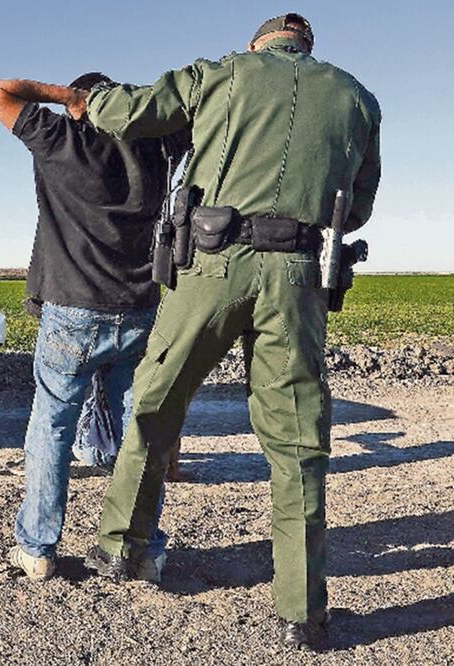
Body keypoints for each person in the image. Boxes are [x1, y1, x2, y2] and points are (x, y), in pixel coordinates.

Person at [78, 13, 381, 651]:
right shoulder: (357, 98)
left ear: (257, 44)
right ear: (307, 48)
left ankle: (121, 547)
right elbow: (358, 204)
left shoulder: (220, 74)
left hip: (213, 266)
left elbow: (120, 113)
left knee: (157, 402)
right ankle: (303, 610)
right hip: (300, 277)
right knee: (299, 440)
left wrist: (86, 99)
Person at [0, 74, 188, 583]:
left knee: (52, 425)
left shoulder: (60, 140)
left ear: (81, 107)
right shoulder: (158, 149)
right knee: (138, 431)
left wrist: (69, 100)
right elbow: (195, 117)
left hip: (71, 309)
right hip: (139, 309)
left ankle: (37, 548)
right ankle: (141, 551)